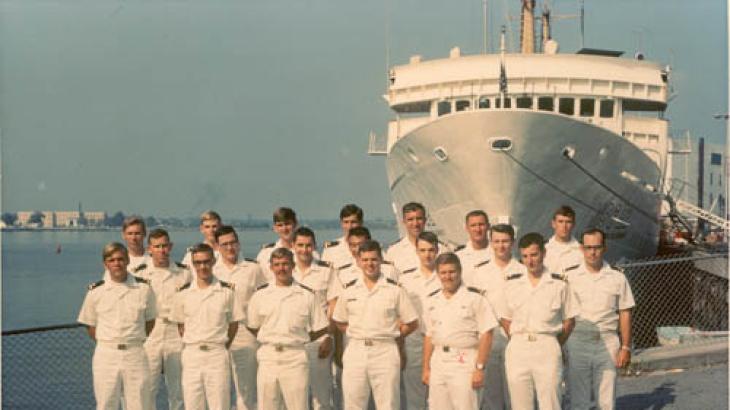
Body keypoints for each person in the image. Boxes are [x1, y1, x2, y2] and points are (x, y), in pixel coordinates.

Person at [332, 240, 419, 410]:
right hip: (356, 349)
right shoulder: (349, 290)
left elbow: (412, 322)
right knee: (353, 404)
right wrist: (357, 332)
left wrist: (394, 334)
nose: (369, 264)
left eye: (373, 259)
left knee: (388, 404)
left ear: (380, 260)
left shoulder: (395, 290)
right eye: (365, 260)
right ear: (358, 261)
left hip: (385, 350)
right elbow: (339, 320)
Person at [500, 233, 578, 410]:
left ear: (544, 253)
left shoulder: (559, 284)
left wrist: (554, 342)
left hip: (547, 346)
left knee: (550, 402)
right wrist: (517, 338)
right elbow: (505, 318)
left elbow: (569, 320)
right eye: (525, 256)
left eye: (534, 255)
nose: (530, 261)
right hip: (518, 347)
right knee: (520, 404)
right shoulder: (512, 284)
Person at [247, 248, 330, 410]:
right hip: (268, 357)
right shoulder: (260, 295)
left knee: (298, 406)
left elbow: (320, 327)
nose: (281, 268)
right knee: (267, 406)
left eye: (285, 264)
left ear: (293, 266)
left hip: (295, 358)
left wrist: (299, 338)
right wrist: (272, 337)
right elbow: (253, 326)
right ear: (271, 267)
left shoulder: (307, 295)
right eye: (277, 264)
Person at [78, 242, 157, 410]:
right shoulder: (95, 292)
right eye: (111, 260)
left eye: (120, 259)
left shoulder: (144, 288)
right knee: (106, 403)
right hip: (106, 355)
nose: (116, 263)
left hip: (135, 353)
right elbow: (91, 326)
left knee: (139, 404)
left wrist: (133, 339)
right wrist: (109, 341)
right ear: (105, 264)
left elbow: (150, 322)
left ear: (128, 260)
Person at [565, 228, 635, 410]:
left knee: (606, 400)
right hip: (578, 341)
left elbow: (625, 313)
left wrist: (625, 347)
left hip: (607, 341)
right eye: (588, 247)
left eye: (596, 247)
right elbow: (563, 314)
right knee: (578, 401)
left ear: (604, 248)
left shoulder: (618, 278)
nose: (592, 252)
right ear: (581, 249)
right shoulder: (570, 277)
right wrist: (562, 344)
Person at [422, 253, 498, 410]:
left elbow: (487, 334)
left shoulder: (475, 298)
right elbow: (429, 336)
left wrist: (479, 368)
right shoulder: (432, 301)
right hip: (438, 361)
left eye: (452, 272)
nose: (448, 276)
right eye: (443, 273)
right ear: (437, 274)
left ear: (460, 272)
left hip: (464, 360)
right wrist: (426, 368)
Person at [171, 243, 243, 410]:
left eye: (206, 262)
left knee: (220, 404)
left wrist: (221, 344)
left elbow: (233, 325)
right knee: (192, 404)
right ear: (193, 264)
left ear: (213, 262)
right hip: (192, 355)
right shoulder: (183, 293)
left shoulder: (227, 292)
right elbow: (181, 326)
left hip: (217, 355)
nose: (202, 266)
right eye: (198, 263)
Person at [212, 225, 267, 410]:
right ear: (218, 247)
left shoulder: (253, 269)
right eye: (224, 244)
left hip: (245, 333)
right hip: (217, 335)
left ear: (239, 243)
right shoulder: (210, 269)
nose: (230, 248)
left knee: (246, 391)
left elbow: (262, 301)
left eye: (233, 243)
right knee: (217, 392)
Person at [137, 229, 192, 410]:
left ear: (171, 247)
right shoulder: (140, 275)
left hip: (176, 332)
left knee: (177, 389)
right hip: (151, 332)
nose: (162, 250)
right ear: (149, 249)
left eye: (165, 246)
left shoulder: (184, 273)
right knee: (148, 387)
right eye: (157, 246)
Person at [468, 224, 521, 410]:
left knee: (517, 398)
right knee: (491, 400)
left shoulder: (523, 270)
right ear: (491, 243)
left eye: (505, 241)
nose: (501, 246)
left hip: (516, 341)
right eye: (497, 241)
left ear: (513, 242)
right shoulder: (479, 273)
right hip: (489, 342)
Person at [291, 227, 338, 410]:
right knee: (295, 396)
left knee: (322, 397)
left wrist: (329, 337)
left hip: (319, 340)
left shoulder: (326, 270)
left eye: (308, 245)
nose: (304, 250)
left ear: (314, 246)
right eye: (300, 245)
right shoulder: (286, 270)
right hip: (294, 341)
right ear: (293, 246)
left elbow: (333, 304)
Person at [398, 232, 443, 410]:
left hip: (439, 342)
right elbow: (400, 315)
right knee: (415, 397)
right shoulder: (405, 279)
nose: (427, 255)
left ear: (437, 250)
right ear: (416, 252)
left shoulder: (446, 277)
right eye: (422, 250)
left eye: (431, 250)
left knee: (441, 398)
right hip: (414, 342)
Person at [257, 207, 320, 282]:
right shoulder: (265, 254)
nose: (284, 229)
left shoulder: (310, 253)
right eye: (280, 225)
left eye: (287, 224)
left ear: (295, 224)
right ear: (275, 228)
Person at [386, 202, 429, 274]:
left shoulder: (441, 249)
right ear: (404, 222)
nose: (415, 224)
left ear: (425, 220)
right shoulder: (393, 252)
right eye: (410, 219)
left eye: (419, 218)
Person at [455, 210, 494, 283]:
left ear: (488, 226)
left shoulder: (499, 254)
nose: (478, 229)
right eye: (473, 225)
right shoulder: (458, 258)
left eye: (481, 224)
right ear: (466, 228)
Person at [322, 204, 364, 270]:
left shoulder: (372, 247)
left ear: (361, 223)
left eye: (353, 222)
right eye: (346, 222)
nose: (349, 226)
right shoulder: (331, 249)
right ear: (341, 223)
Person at [544, 206, 583, 276]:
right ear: (553, 224)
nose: (564, 226)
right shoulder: (543, 250)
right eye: (560, 222)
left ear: (573, 224)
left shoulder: (582, 251)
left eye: (568, 222)